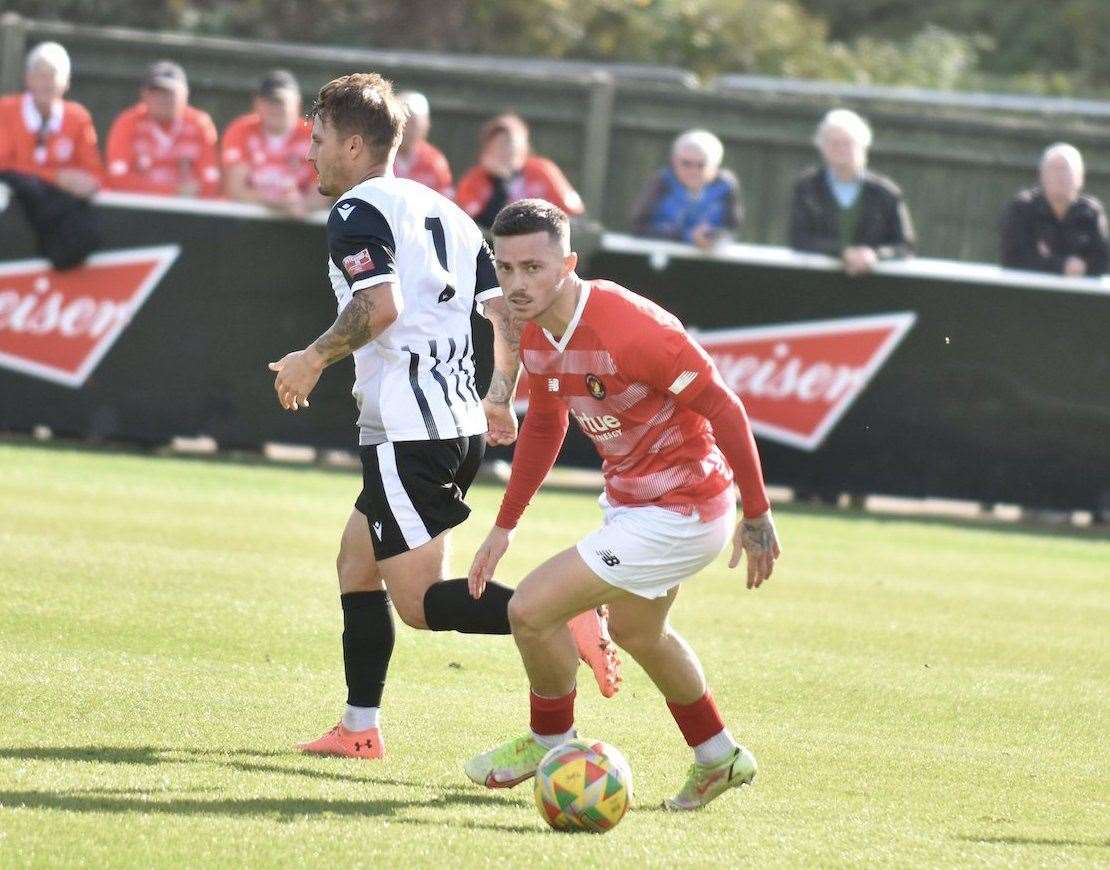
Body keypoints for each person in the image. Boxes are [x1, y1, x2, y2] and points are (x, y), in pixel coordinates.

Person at [266, 74, 620, 760]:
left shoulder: (356, 211)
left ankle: (561, 613)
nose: (309, 154)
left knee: (421, 605)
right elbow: (504, 312)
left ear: (355, 143)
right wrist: (496, 395)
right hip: (453, 426)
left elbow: (380, 307)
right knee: (355, 562)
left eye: (317, 140)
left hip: (410, 432)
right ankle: (359, 728)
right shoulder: (447, 211)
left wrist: (312, 357)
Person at [464, 199, 782, 811]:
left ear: (569, 263)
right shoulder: (534, 330)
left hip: (683, 510)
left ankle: (548, 739)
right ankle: (719, 756)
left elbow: (726, 409)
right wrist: (503, 527)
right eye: (505, 268)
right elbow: (547, 424)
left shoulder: (634, 329)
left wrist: (758, 513)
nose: (517, 284)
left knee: (530, 611)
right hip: (635, 506)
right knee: (641, 632)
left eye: (533, 267)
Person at [0, 41, 102, 268]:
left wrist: (85, 182)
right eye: (40, 74)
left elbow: (93, 171)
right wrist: (54, 176)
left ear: (66, 83)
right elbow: (4, 165)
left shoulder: (78, 118)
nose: (47, 83)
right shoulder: (5, 111)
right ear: (28, 79)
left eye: (53, 75)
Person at [789, 108, 915, 276]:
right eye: (834, 143)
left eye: (848, 143)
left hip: (873, 288)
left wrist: (874, 255)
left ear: (863, 146)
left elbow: (905, 246)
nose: (841, 149)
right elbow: (799, 239)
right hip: (815, 284)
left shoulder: (885, 192)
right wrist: (843, 253)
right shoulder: (807, 188)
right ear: (822, 148)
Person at [105, 61, 220, 198]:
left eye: (170, 93)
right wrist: (172, 191)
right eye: (156, 92)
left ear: (185, 94)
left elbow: (211, 182)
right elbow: (118, 178)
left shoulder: (199, 123)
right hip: (137, 208)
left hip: (187, 209)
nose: (163, 99)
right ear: (144, 94)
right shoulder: (128, 122)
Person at [221, 69, 328, 216]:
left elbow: (323, 192)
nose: (275, 108)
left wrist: (300, 205)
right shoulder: (241, 130)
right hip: (247, 219)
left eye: (281, 102)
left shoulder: (314, 135)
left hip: (301, 222)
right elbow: (236, 188)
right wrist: (277, 203)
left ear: (297, 102)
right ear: (257, 104)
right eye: (269, 102)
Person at [455, 113, 584, 229]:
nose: (505, 150)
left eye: (510, 142)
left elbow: (573, 214)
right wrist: (499, 184)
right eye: (498, 144)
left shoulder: (543, 171)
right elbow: (479, 225)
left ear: (523, 145)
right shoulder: (474, 180)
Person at [1000, 143, 1108, 277]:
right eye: (1053, 170)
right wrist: (1062, 266)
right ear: (1041, 176)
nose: (1059, 176)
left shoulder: (1091, 212)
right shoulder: (1022, 209)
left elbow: (1102, 263)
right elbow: (1013, 260)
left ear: (1080, 178)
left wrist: (1047, 259)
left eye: (1065, 170)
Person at [630, 129, 743, 250]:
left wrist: (714, 238)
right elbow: (638, 227)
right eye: (686, 163)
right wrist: (686, 237)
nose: (693, 171)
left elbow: (732, 230)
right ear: (674, 162)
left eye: (701, 165)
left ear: (715, 166)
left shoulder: (726, 187)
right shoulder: (661, 183)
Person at [392, 91, 453, 198]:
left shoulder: (434, 161)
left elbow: (445, 197)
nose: (410, 129)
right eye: (406, 122)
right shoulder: (379, 154)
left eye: (415, 123)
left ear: (426, 125)